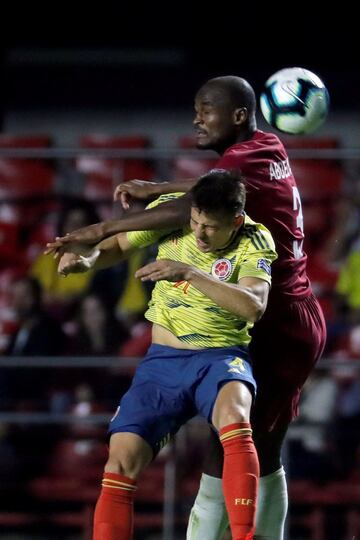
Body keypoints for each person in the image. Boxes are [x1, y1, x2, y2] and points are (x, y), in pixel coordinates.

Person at [46, 75, 327, 540]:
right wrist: (142, 203)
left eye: (205, 108)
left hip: (277, 321)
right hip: (262, 324)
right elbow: (203, 191)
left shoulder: (238, 225)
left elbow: (191, 205)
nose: (196, 118)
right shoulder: (267, 148)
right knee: (249, 448)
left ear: (239, 116)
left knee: (243, 448)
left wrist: (97, 229)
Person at [55, 170, 277, 540]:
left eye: (211, 227)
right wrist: (90, 261)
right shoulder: (172, 216)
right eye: (195, 222)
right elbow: (119, 247)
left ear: (236, 221)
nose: (200, 234)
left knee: (236, 416)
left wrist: (190, 272)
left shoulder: (255, 238)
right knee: (121, 458)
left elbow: (253, 306)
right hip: (162, 362)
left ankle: (244, 536)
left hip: (218, 357)